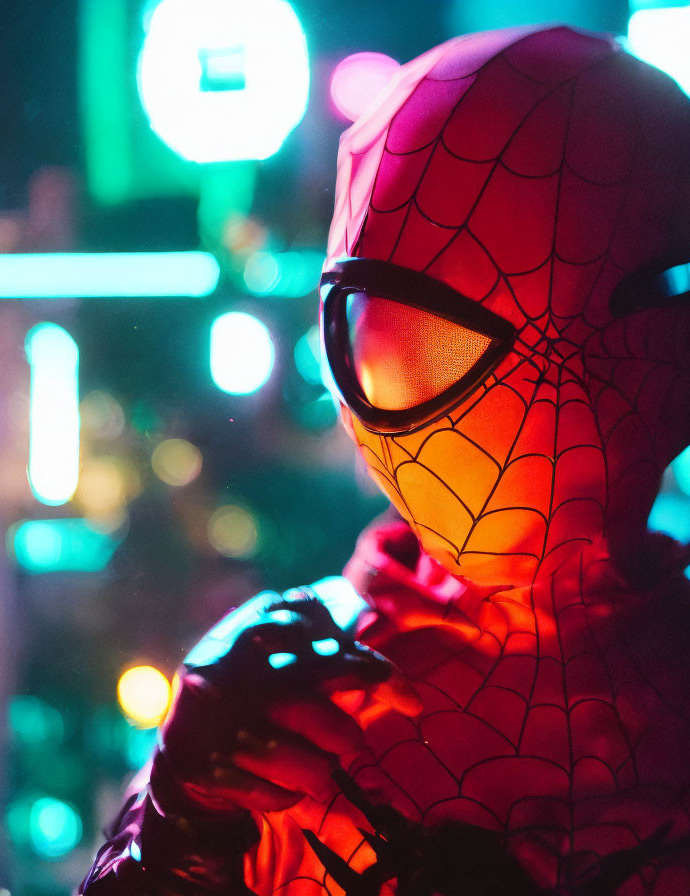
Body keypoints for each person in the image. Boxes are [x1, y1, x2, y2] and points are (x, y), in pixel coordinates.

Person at [79, 23, 690, 895]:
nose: (534, 385)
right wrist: (182, 824)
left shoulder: (283, 694)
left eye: (600, 327)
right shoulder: (286, 698)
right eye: (430, 329)